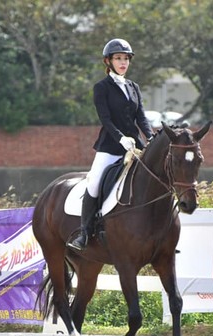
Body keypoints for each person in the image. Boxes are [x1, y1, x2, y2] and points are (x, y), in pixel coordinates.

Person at [67, 38, 154, 251]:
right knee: (94, 182)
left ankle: (158, 232)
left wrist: (150, 137)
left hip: (136, 145)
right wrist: (120, 138)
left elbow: (141, 117)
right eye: (118, 58)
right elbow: (105, 119)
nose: (123, 62)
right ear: (109, 61)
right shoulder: (101, 87)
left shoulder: (134, 87)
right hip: (110, 146)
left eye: (126, 59)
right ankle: (85, 233)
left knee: (155, 177)